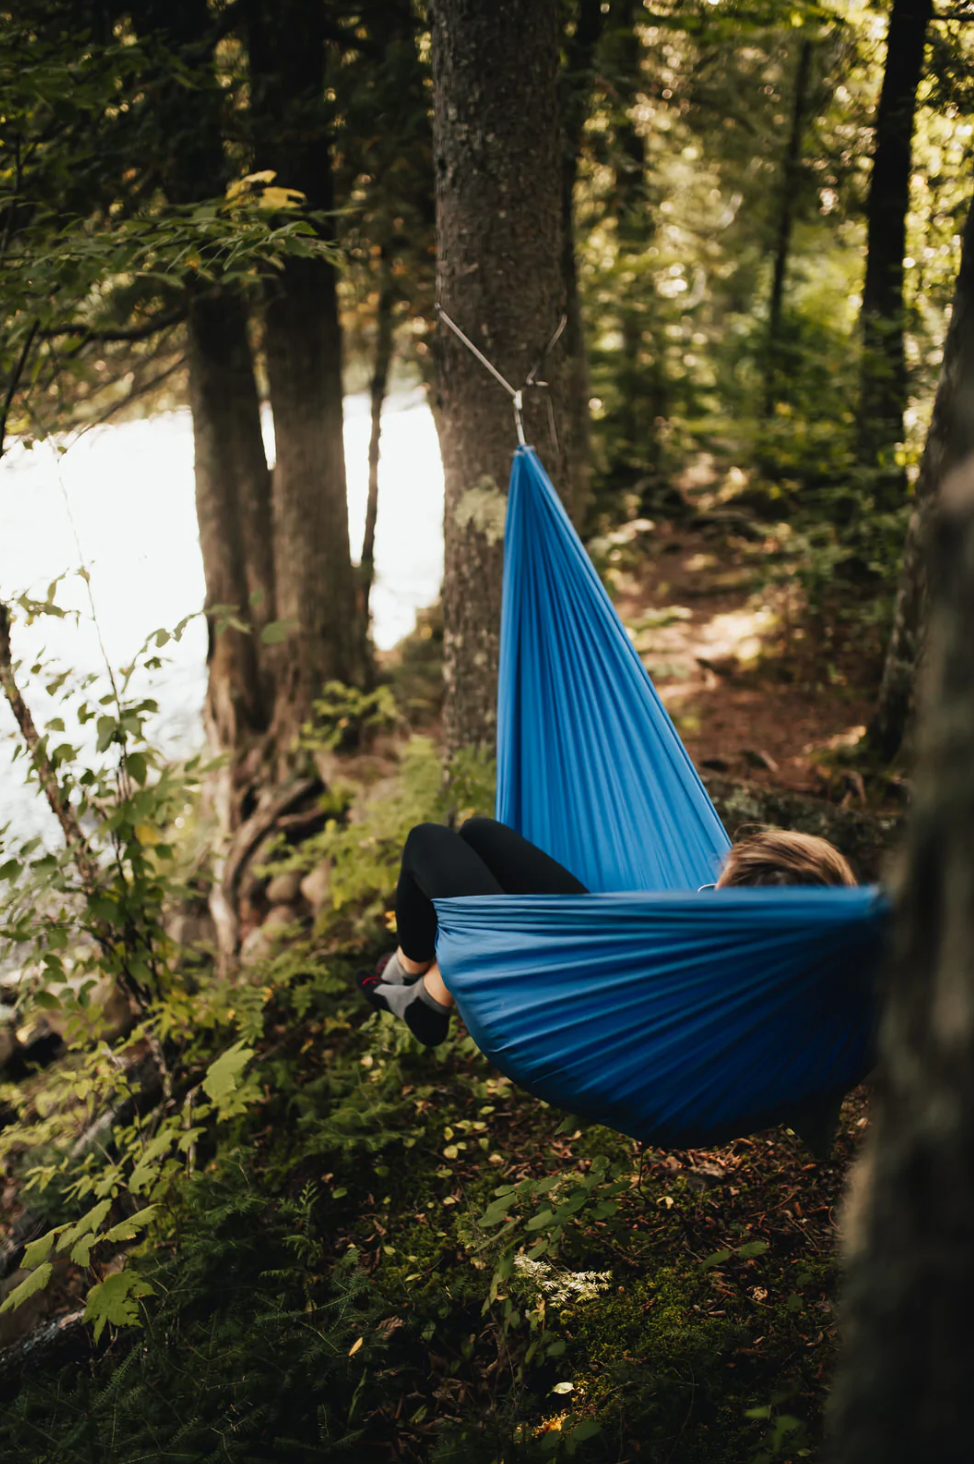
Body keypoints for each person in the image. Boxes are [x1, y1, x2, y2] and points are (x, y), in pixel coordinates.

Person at [355, 818, 856, 1048]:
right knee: (481, 834)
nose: (712, 876)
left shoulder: (720, 957)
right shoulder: (771, 960)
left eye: (722, 879)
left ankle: (406, 969)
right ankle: (427, 999)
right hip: (594, 949)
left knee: (429, 841)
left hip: (555, 988)